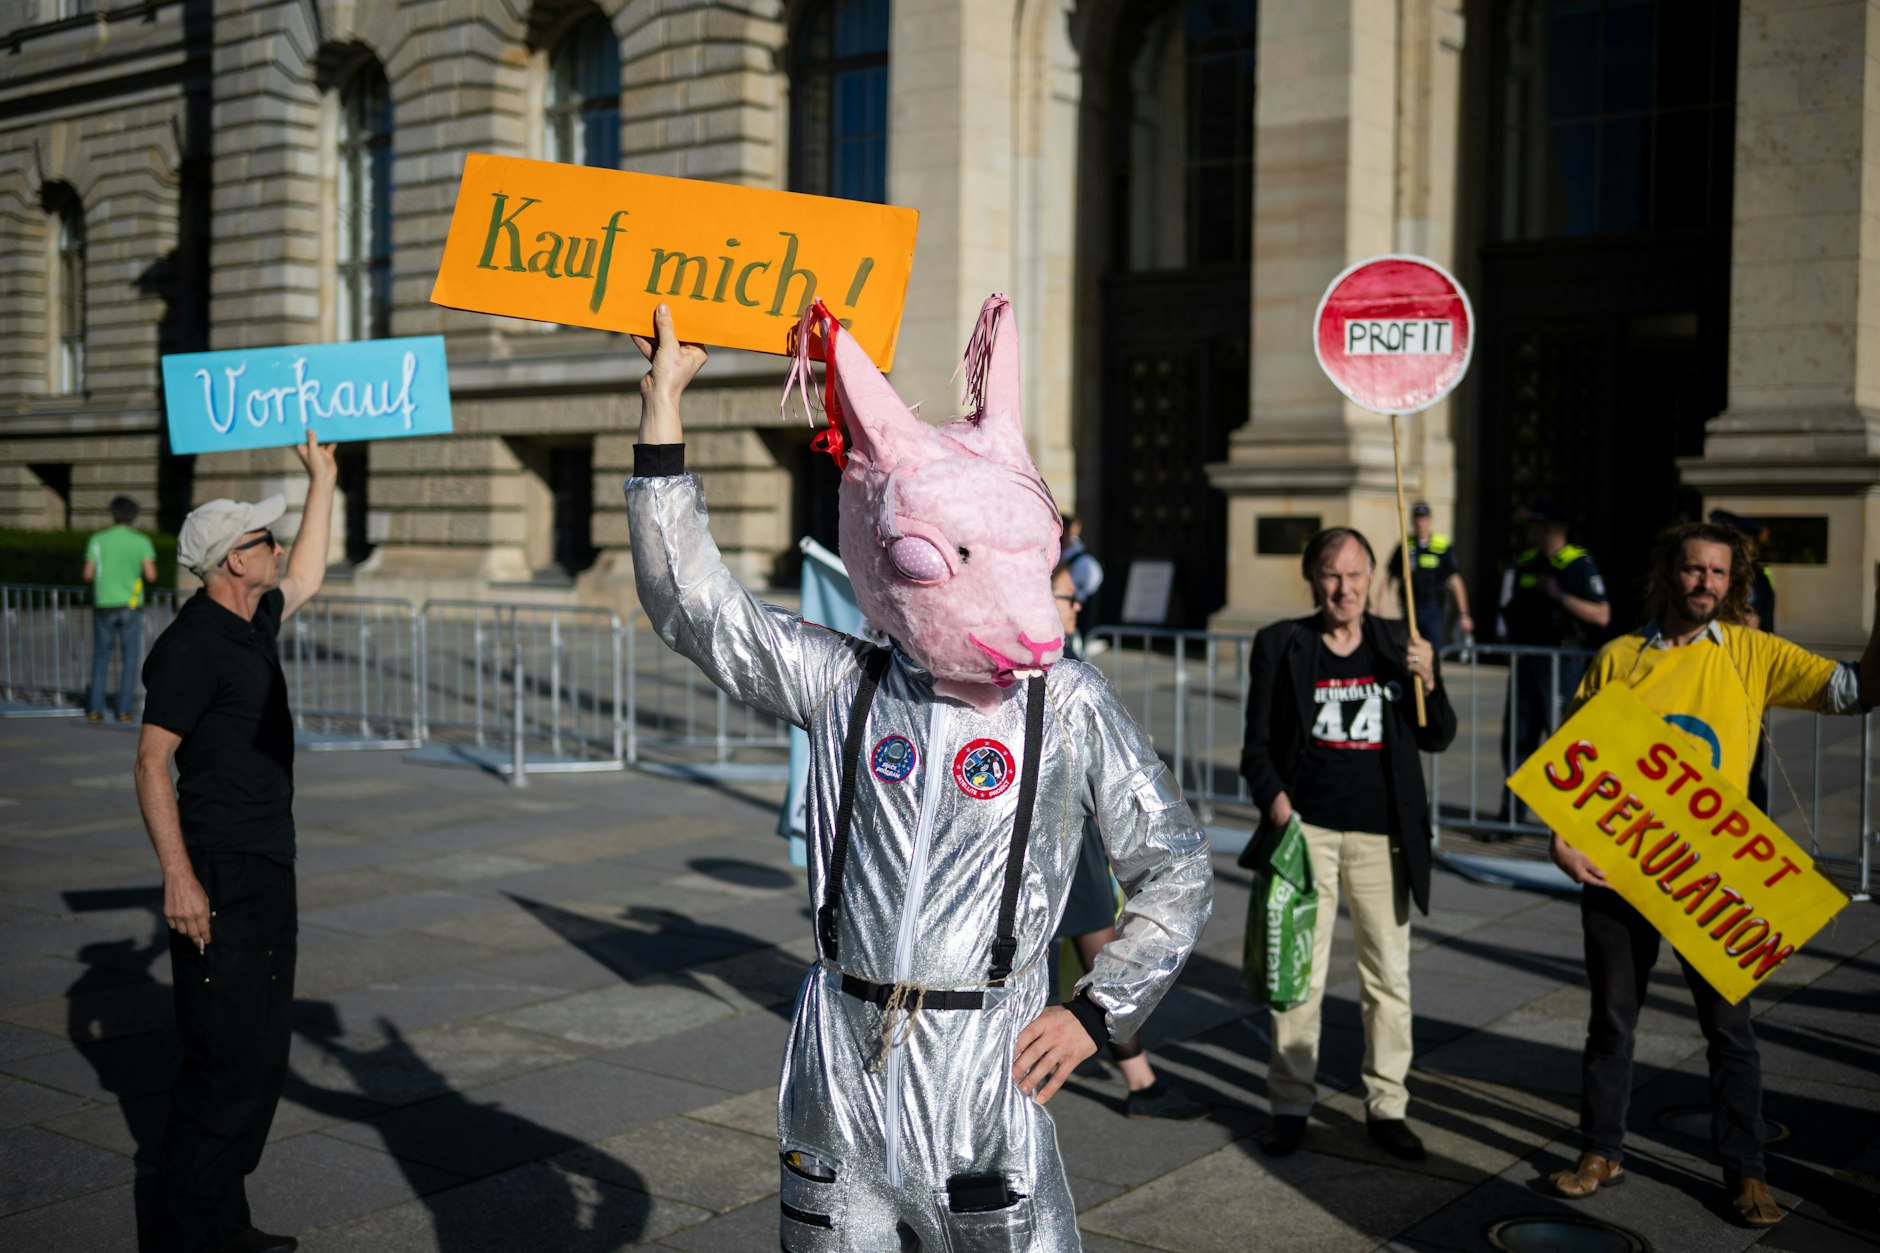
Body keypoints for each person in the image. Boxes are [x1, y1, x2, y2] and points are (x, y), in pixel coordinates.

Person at [627, 299, 1212, 1250]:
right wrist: (663, 409)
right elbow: (698, 608)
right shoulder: (844, 681)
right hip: (841, 1063)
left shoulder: (1062, 701)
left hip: (985, 1066)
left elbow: (1176, 865)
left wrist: (1096, 1014)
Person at [1545, 520, 1880, 1227]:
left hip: (1713, 881)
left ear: (1735, 581)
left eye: (1719, 573)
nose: (1706, 583)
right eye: (1694, 570)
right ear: (1669, 573)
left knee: (1731, 1033)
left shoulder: (1752, 654)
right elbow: (1574, 762)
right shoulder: (1618, 656)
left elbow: (1855, 690)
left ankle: (1747, 1172)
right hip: (1620, 871)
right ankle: (1601, 1150)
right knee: (1612, 1022)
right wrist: (1561, 840)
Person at [136, 432, 336, 1253]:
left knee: (258, 1057)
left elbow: (312, 573)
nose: (276, 547)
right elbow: (151, 764)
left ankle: (224, 1223)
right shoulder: (189, 646)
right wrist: (179, 879)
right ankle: (189, 1237)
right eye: (263, 540)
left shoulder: (250, 619)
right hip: (218, 868)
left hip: (268, 863)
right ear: (230, 562)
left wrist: (322, 476)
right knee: (220, 1066)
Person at [1239, 526, 1457, 1160]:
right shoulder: (1282, 645)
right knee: (1297, 976)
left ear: (1373, 581)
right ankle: (1290, 1104)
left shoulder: (1399, 643)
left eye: (1357, 575)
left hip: (1383, 839)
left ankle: (1387, 1105)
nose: (1346, 588)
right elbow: (1256, 746)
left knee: (1387, 978)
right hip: (1305, 837)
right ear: (1312, 579)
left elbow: (1437, 735)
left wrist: (1430, 677)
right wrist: (1277, 802)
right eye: (1333, 575)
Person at [1049, 562, 1209, 1120]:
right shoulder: (1049, 668)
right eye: (1067, 599)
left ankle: (1139, 1080)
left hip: (1081, 846)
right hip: (1058, 853)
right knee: (1090, 960)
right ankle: (1136, 1082)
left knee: (1098, 953)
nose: (1076, 609)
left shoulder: (1070, 672)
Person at [1498, 500, 1610, 819]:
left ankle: (1571, 819)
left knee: (1563, 744)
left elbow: (1602, 614)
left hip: (1562, 663)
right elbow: (1513, 609)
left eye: (1535, 526)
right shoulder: (1526, 562)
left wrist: (1560, 596)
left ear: (1550, 529)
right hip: (1527, 662)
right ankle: (1511, 814)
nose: (1529, 532)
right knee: (1517, 739)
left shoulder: (1578, 564)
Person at [1710, 509, 1779, 810]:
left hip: (1742, 677)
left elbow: (1751, 621)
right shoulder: (1741, 575)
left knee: (1747, 766)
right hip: (1723, 675)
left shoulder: (1750, 578)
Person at [83, 494, 158, 722]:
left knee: (101, 657)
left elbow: (87, 573)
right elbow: (151, 575)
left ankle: (95, 710)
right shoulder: (141, 540)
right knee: (130, 658)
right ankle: (124, 710)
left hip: (104, 602)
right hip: (131, 603)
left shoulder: (98, 539)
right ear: (134, 516)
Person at [1383, 501, 1474, 653]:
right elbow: (1389, 578)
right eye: (1417, 519)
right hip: (1411, 608)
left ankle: (1431, 676)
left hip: (1434, 609)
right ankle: (1415, 675)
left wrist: (1464, 614)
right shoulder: (1406, 546)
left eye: (1424, 519)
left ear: (1430, 520)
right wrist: (1381, 609)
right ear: (1412, 521)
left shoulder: (1442, 546)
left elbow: (1455, 581)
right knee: (1412, 651)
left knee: (1432, 650)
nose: (1420, 523)